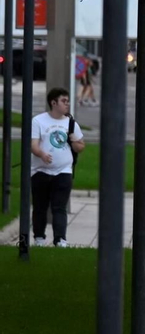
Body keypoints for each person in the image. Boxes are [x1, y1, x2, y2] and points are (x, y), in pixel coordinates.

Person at [30, 87, 84, 247]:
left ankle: (60, 239)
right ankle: (39, 237)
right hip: (40, 171)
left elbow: (81, 145)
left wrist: (74, 142)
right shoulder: (39, 121)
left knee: (59, 207)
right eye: (63, 101)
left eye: (68, 101)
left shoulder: (71, 123)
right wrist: (42, 154)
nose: (67, 104)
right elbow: (33, 145)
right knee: (40, 206)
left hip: (63, 171)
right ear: (53, 103)